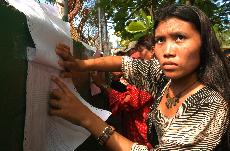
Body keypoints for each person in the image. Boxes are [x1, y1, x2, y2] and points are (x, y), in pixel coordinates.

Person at [49, 4, 230, 150]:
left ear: (204, 44)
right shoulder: (164, 77)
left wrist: (86, 118)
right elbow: (123, 63)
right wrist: (81, 64)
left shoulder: (208, 103)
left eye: (180, 37)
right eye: (160, 40)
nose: (167, 51)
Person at [91, 36, 155, 149]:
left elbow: (127, 101)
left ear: (153, 51)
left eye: (139, 53)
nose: (134, 57)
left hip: (143, 140)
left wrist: (102, 84)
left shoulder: (151, 78)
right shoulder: (141, 74)